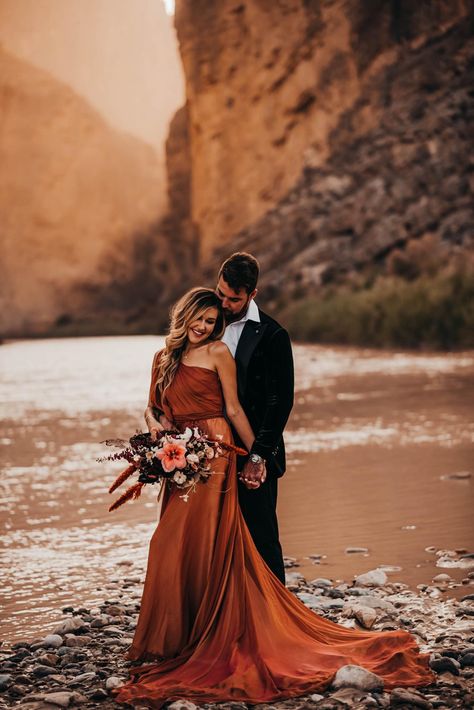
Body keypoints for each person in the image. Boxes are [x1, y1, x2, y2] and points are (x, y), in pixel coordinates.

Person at [113, 286, 434, 708]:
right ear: (184, 314)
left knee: (209, 539)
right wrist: (156, 433)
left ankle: (212, 631)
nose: (204, 327)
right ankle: (179, 636)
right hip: (178, 454)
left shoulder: (218, 355)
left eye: (212, 322)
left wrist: (257, 457)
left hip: (216, 452)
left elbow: (234, 409)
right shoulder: (162, 358)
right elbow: (152, 407)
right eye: (200, 318)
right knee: (170, 541)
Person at [216, 252, 293, 584]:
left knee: (262, 536)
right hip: (210, 449)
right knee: (216, 538)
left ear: (252, 295)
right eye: (221, 293)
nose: (225, 303)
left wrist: (258, 455)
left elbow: (281, 403)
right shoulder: (204, 325)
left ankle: (279, 617)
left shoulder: (274, 336)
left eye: (234, 299)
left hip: (254, 450)